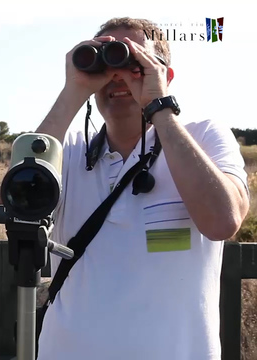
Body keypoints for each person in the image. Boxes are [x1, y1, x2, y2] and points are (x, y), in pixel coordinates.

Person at [34, 17, 250, 360]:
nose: (117, 75)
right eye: (105, 61)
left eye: (134, 63)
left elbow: (222, 221)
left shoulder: (204, 136)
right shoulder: (69, 150)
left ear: (166, 75)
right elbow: (16, 204)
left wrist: (160, 109)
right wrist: (73, 90)